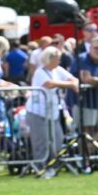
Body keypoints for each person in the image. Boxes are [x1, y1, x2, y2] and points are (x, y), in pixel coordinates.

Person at [26, 46, 78, 177]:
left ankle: (52, 165)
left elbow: (73, 78)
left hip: (53, 112)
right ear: (49, 59)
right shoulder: (40, 72)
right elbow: (49, 84)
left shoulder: (58, 70)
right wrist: (69, 85)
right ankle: (41, 168)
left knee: (58, 139)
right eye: (57, 58)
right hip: (38, 112)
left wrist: (73, 83)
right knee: (41, 141)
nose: (59, 61)